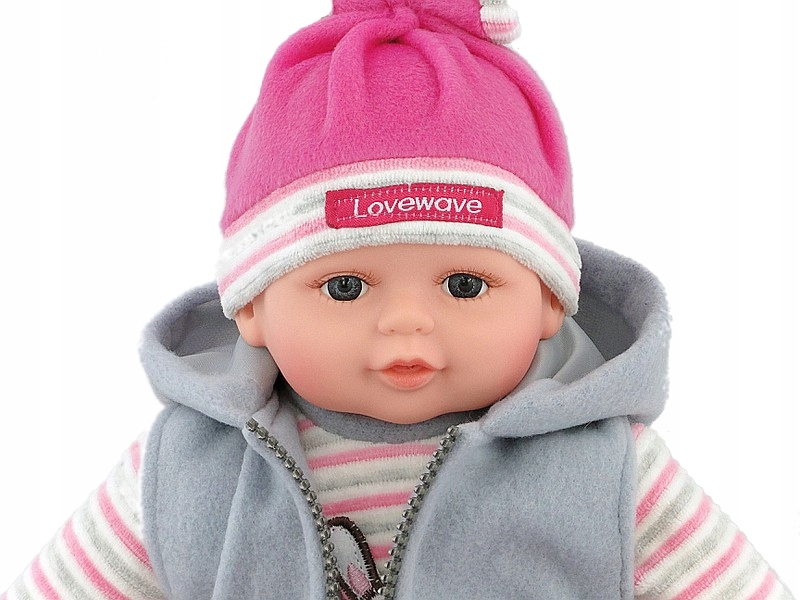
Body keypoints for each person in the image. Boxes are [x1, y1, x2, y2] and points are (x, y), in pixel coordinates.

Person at [2, 1, 795, 598]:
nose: (407, 322)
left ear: (552, 299)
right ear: (250, 306)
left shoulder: (610, 474)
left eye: (465, 285)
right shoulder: (182, 472)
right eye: (344, 286)